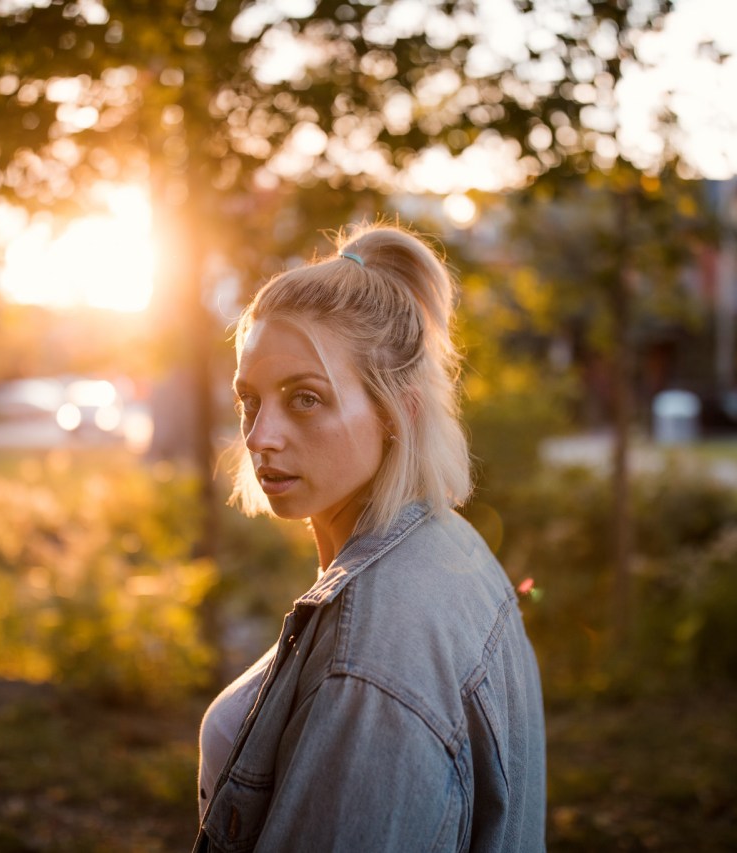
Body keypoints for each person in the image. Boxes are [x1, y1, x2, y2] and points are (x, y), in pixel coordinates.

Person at [194, 222, 546, 852]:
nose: (259, 436)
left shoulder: (373, 656)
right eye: (250, 399)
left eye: (305, 399)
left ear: (396, 414)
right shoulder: (449, 546)